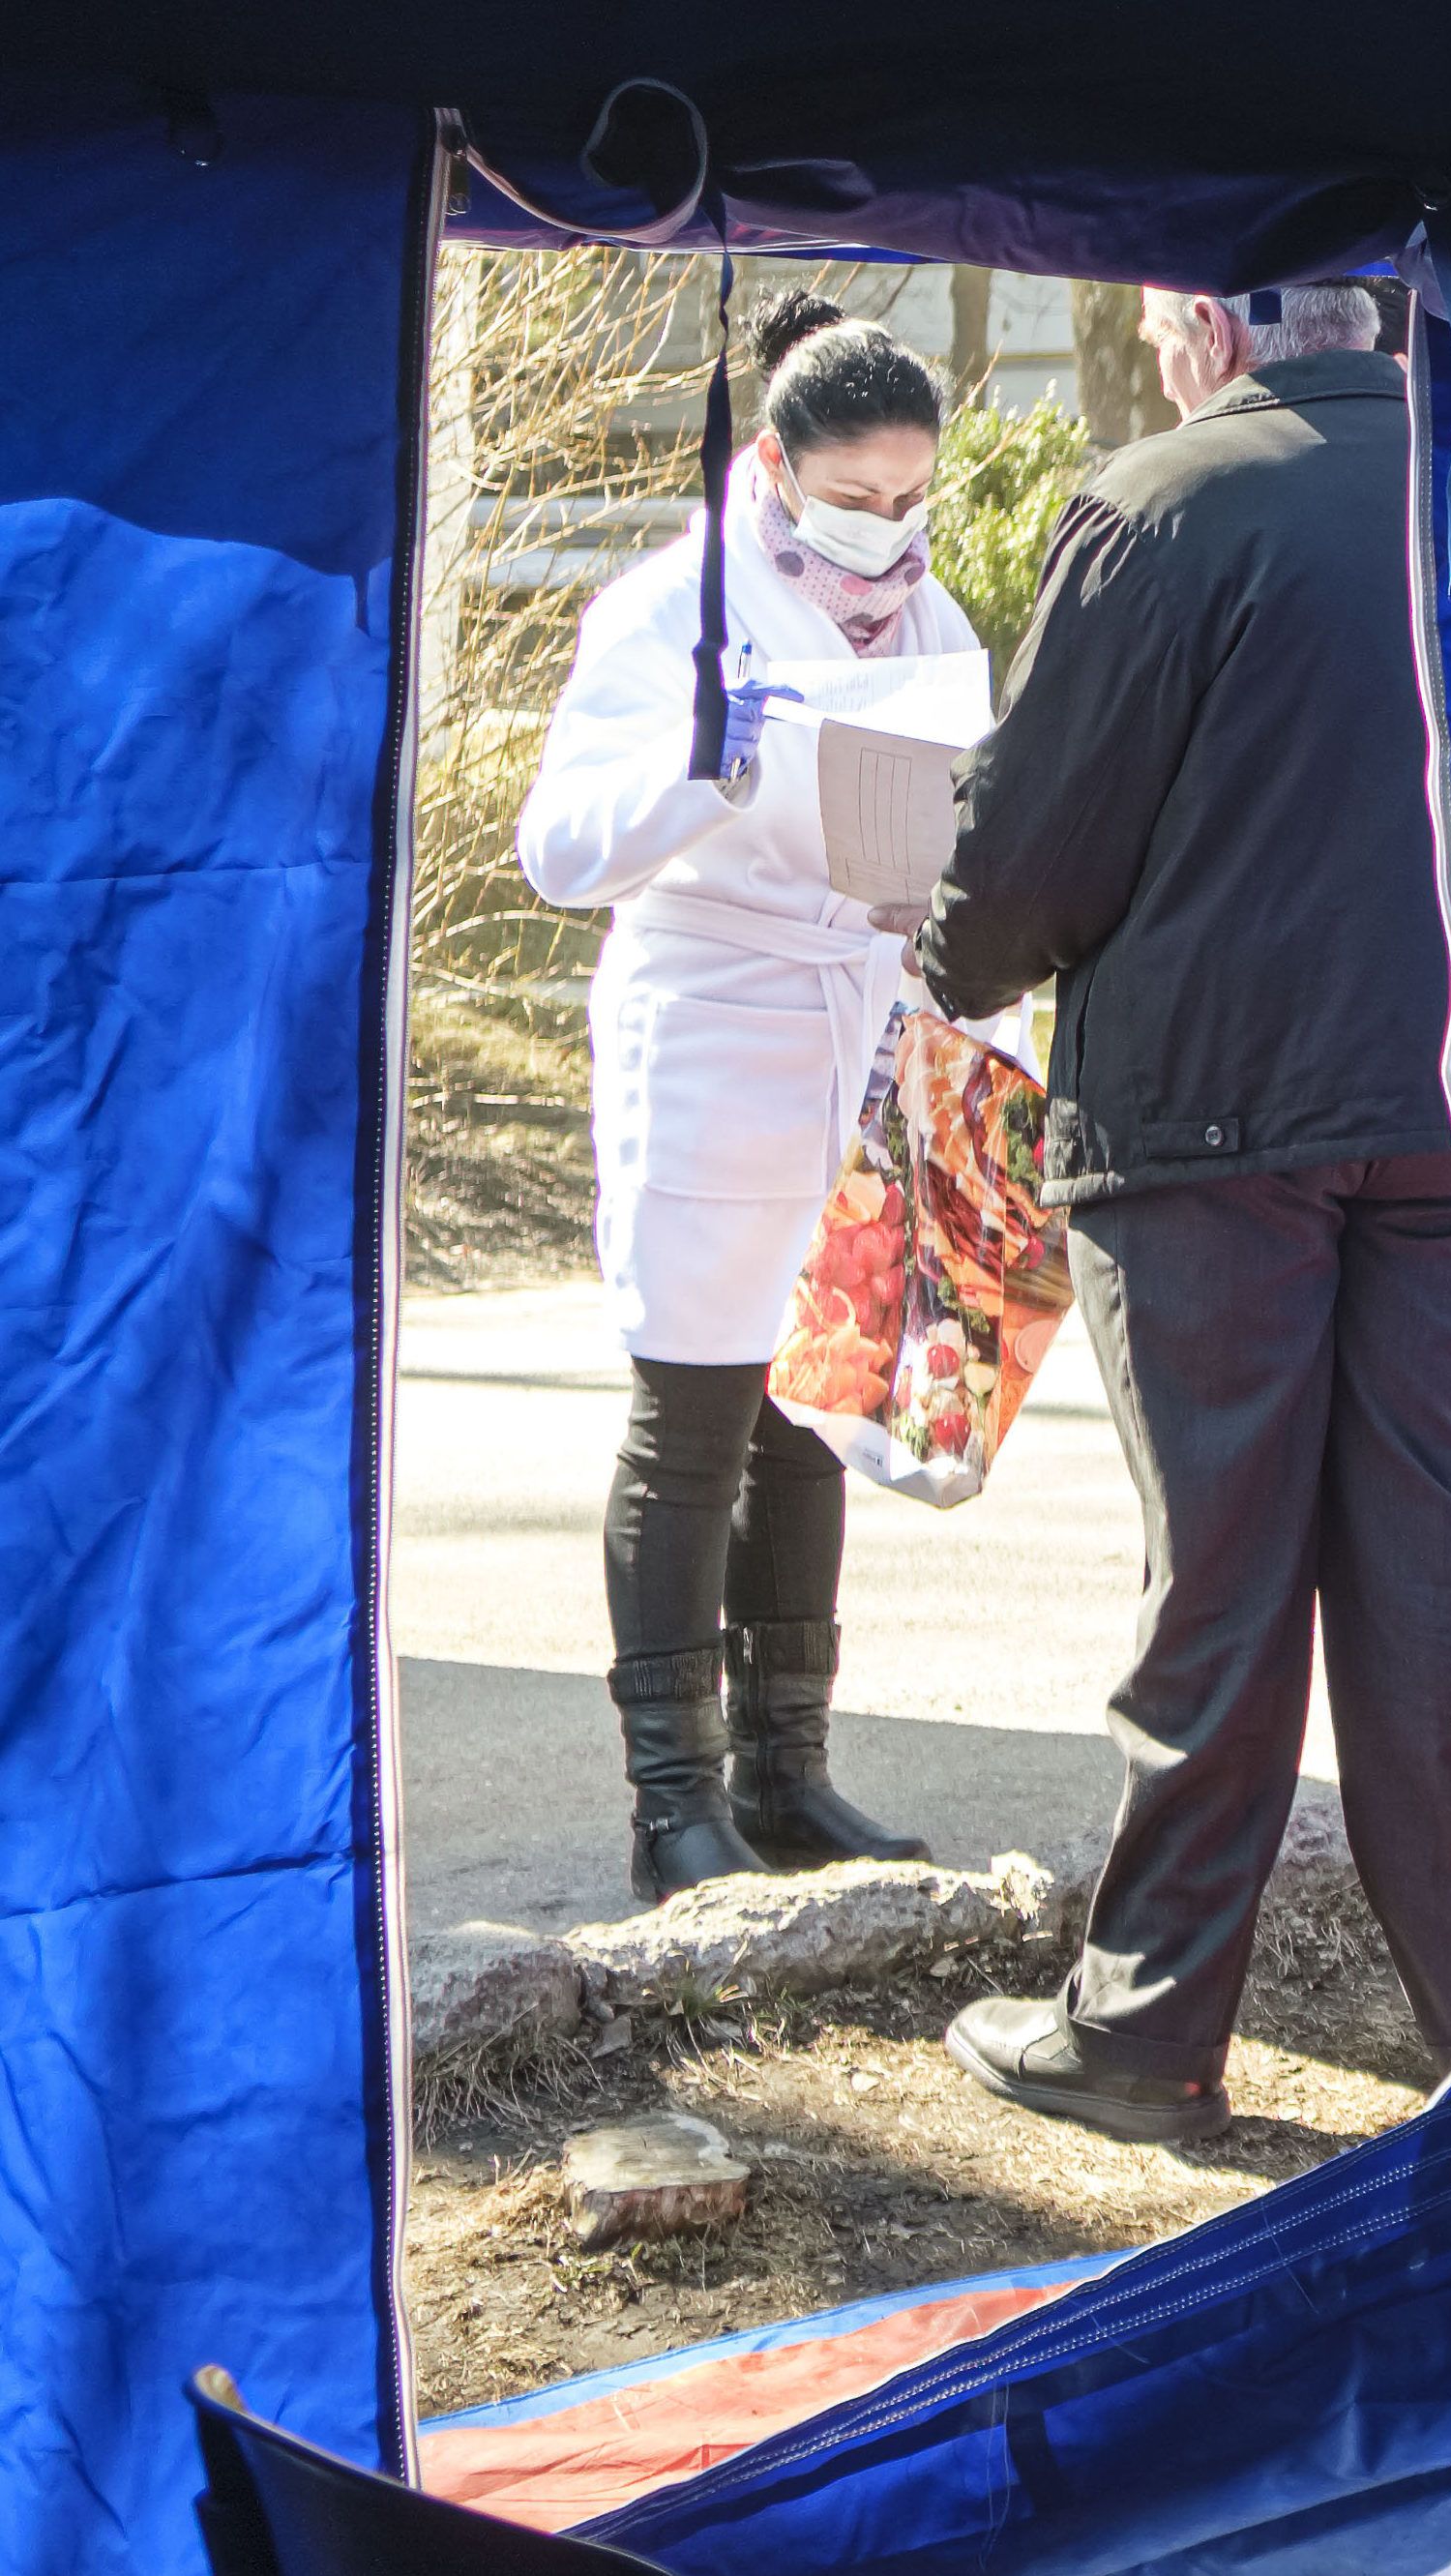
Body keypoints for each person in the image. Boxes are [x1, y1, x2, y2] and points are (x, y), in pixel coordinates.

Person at [914, 280, 1451, 2143]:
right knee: (1439, 1586)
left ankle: (1147, 2025)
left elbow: (1021, 866)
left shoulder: (1162, 504)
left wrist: (954, 938)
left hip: (1207, 1126)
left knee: (1220, 1578)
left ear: (1211, 324)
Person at [519, 290, 959, 1903]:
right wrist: (702, 769)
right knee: (696, 1415)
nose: (886, 533)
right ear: (774, 465)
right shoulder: (663, 611)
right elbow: (558, 850)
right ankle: (673, 1800)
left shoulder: (935, 625)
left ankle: (791, 1769)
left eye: (913, 499)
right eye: (856, 499)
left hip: (855, 1037)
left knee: (814, 1422)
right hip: (709, 1019)